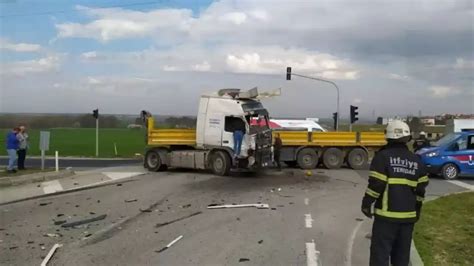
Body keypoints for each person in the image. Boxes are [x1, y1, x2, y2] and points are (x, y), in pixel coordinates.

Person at [361, 120, 429, 266]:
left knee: (380, 256)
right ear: (408, 138)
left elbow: (376, 185)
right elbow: (421, 190)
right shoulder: (417, 161)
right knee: (401, 258)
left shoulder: (382, 157)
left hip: (386, 219)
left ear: (388, 137)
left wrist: (366, 204)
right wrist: (417, 210)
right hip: (408, 219)